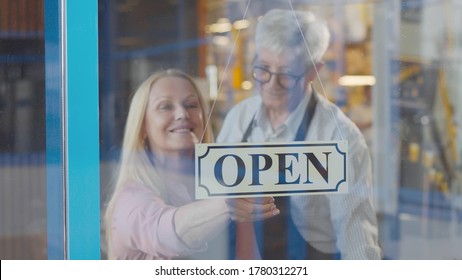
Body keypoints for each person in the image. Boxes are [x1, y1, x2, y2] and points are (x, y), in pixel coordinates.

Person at [217, 9, 383, 259]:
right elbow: (216, 203)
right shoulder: (238, 118)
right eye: (263, 68)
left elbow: (356, 234)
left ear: (313, 72)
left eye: (285, 74)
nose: (271, 85)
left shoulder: (338, 137)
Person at [104, 69, 278, 259]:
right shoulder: (131, 198)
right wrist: (227, 203)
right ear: (143, 126)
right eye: (165, 106)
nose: (182, 114)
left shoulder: (221, 185)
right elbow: (166, 235)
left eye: (191, 104)